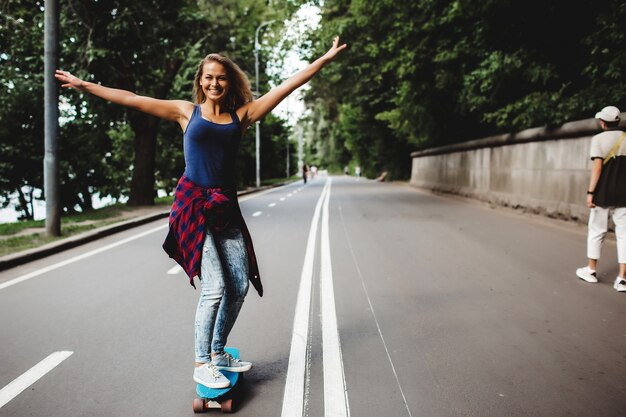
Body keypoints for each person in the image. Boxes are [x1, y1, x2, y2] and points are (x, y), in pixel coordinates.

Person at [56, 36, 347, 388]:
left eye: (221, 77)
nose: (214, 83)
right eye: (208, 77)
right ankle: (201, 360)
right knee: (215, 285)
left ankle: (218, 350)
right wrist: (83, 85)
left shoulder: (242, 116)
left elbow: (288, 85)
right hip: (193, 206)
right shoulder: (185, 112)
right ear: (200, 81)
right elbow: (133, 99)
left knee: (239, 285)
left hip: (225, 209)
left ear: (229, 82)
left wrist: (325, 59)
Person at [576, 105, 626, 292]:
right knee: (624, 235)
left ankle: (591, 270)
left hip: (603, 193)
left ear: (603, 122)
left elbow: (597, 168)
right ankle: (622, 279)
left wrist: (590, 193)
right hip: (624, 195)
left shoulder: (598, 139)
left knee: (597, 230)